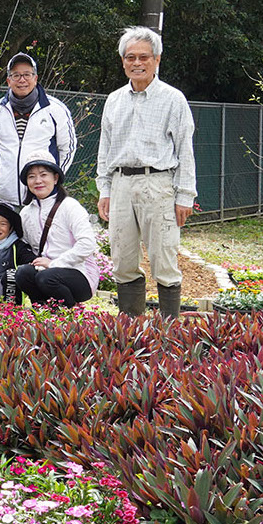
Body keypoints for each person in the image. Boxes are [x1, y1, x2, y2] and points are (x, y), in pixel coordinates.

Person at [96, 26, 196, 318]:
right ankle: (131, 329)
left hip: (159, 184)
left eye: (144, 57)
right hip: (121, 184)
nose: (137, 63)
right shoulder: (114, 100)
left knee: (163, 258)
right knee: (122, 259)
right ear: (122, 61)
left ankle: (169, 330)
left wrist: (185, 196)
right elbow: (105, 150)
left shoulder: (173, 99)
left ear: (157, 60)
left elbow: (185, 151)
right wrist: (105, 190)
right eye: (130, 57)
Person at [0, 53, 77, 207]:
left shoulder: (55, 109)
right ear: (8, 81)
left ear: (35, 78)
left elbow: (67, 148)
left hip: (42, 198)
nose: (22, 80)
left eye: (27, 74)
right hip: (6, 198)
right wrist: (5, 174)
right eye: (16, 75)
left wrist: (53, 178)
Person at [16, 150, 98, 308]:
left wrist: (54, 263)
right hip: (45, 271)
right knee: (23, 274)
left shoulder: (70, 206)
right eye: (31, 176)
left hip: (79, 273)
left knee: (47, 278)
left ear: (55, 178)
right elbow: (24, 244)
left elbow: (87, 244)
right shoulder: (26, 212)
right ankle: (43, 312)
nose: (37, 180)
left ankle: (67, 313)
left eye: (43, 174)